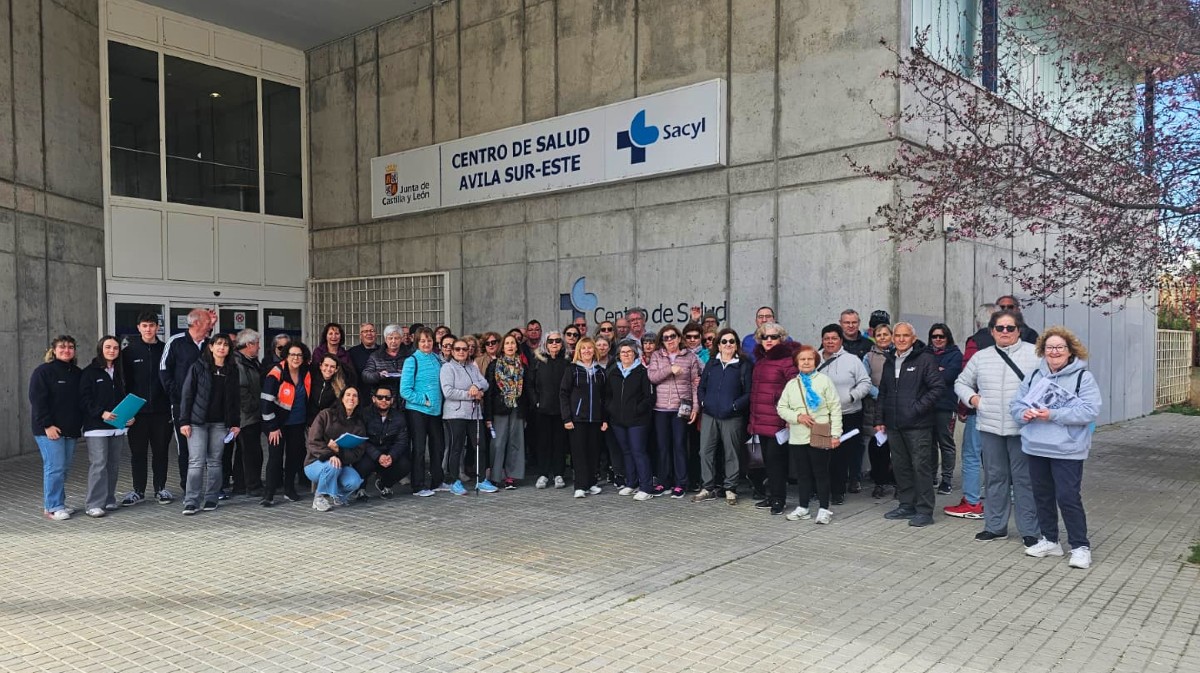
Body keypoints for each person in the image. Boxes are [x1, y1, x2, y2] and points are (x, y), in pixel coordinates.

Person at [1011, 327, 1102, 569]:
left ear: (1070, 350)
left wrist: (1052, 414)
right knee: (1042, 496)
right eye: (1049, 347)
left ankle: (1080, 546)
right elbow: (1016, 405)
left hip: (1068, 449)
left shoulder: (1084, 378)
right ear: (1042, 350)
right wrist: (1025, 413)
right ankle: (1050, 540)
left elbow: (1090, 411)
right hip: (1036, 447)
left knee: (1068, 497)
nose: (1054, 352)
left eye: (1060, 347)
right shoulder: (1033, 377)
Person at [954, 309, 1041, 546]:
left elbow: (1048, 385)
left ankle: (1030, 531)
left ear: (1018, 330)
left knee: (1024, 481)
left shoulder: (1034, 355)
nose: (1005, 332)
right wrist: (974, 400)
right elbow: (961, 382)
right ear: (992, 331)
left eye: (1010, 328)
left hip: (1023, 429)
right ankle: (995, 526)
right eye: (1000, 328)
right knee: (995, 479)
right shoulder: (981, 357)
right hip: (990, 428)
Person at [872, 322, 945, 527]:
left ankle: (924, 510)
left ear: (913, 339)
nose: (901, 339)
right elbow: (883, 393)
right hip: (894, 425)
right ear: (893, 338)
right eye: (898, 335)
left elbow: (937, 388)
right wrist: (879, 419)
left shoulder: (925, 359)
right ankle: (906, 504)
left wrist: (916, 408)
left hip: (918, 425)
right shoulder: (889, 361)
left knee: (920, 467)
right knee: (900, 466)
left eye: (906, 336)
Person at [777, 345, 843, 524]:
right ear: (796, 363)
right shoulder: (791, 384)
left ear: (815, 361)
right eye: (802, 359)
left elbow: (835, 408)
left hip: (820, 434)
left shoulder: (824, 381)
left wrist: (836, 434)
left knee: (821, 472)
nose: (806, 362)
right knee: (803, 473)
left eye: (809, 359)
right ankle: (803, 507)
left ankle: (824, 508)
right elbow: (782, 408)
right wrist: (797, 417)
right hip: (798, 436)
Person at [177, 334, 241, 515]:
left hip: (220, 423)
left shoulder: (232, 370)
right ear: (211, 347)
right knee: (196, 462)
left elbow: (235, 399)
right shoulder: (198, 367)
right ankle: (191, 501)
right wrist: (184, 421)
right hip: (197, 422)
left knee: (215, 462)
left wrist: (235, 423)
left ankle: (212, 498)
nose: (222, 348)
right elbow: (187, 394)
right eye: (218, 344)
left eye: (226, 345)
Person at [943, 303, 994, 519]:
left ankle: (971, 502)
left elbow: (968, 376)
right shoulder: (1013, 343)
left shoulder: (976, 342)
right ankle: (1000, 498)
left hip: (979, 408)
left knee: (972, 455)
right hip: (1003, 410)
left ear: (978, 321)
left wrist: (963, 407)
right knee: (995, 457)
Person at [694, 328, 752, 505]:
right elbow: (701, 387)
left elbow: (749, 393)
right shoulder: (712, 363)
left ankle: (730, 488)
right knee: (705, 451)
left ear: (736, 345)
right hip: (710, 414)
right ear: (718, 345)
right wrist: (704, 403)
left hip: (732, 416)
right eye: (724, 341)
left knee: (731, 452)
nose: (728, 345)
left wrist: (734, 406)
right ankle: (708, 487)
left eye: (732, 341)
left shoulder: (744, 365)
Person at [121, 311, 173, 505]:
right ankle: (138, 491)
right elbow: (123, 383)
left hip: (162, 411)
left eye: (152, 325)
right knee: (138, 453)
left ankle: (160, 488)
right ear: (138, 328)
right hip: (137, 414)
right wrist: (127, 411)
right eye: (144, 325)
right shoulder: (129, 352)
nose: (148, 329)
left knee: (161, 451)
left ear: (157, 327)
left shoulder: (165, 349)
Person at [30, 335, 84, 520]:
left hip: (70, 429)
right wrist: (47, 425)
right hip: (48, 430)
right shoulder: (43, 372)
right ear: (54, 350)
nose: (66, 350)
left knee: (64, 468)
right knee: (55, 467)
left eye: (70, 347)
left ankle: (58, 502)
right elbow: (37, 401)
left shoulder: (77, 373)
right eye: (62, 347)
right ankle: (52, 507)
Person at [817, 324, 871, 505]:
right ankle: (822, 489)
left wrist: (851, 396)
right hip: (822, 416)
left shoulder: (852, 360)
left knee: (840, 455)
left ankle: (837, 491)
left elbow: (865, 382)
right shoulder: (814, 358)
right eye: (826, 338)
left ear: (841, 340)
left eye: (834, 338)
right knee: (821, 455)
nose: (830, 342)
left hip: (847, 414)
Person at [160, 308, 214, 490]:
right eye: (208, 321)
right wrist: (177, 396)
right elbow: (164, 371)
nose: (210, 325)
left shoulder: (210, 344)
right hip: (182, 406)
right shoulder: (176, 342)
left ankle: (210, 487)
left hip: (208, 406)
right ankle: (188, 487)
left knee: (207, 448)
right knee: (185, 448)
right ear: (197, 323)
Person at [79, 336, 133, 518]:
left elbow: (125, 397)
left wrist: (128, 416)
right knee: (99, 463)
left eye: (116, 348)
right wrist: (101, 413)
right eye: (108, 347)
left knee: (113, 464)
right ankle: (93, 503)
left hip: (117, 427)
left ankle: (108, 499)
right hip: (96, 427)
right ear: (100, 349)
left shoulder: (120, 372)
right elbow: (84, 400)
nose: (112, 351)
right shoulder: (89, 373)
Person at [749, 322, 799, 514]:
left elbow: (794, 387)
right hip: (762, 420)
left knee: (777, 461)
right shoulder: (761, 361)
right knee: (768, 462)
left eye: (773, 337)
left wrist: (789, 415)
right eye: (765, 337)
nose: (769, 340)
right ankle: (772, 496)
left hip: (778, 420)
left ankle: (779, 499)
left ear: (781, 339)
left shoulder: (787, 360)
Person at [647, 324, 701, 499]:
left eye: (672, 336)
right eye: (666, 337)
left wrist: (695, 407)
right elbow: (652, 377)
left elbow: (695, 383)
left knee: (679, 445)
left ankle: (681, 483)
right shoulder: (657, 355)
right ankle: (664, 481)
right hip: (661, 408)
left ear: (679, 338)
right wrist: (669, 369)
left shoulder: (690, 357)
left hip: (681, 408)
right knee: (662, 446)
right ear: (662, 341)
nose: (669, 340)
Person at [260, 341, 312, 506]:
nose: (296, 358)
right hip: (277, 424)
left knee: (294, 457)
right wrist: (272, 427)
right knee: (275, 458)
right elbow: (266, 403)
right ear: (286, 356)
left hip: (297, 423)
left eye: (299, 355)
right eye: (292, 354)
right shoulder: (276, 373)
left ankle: (289, 490)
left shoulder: (306, 372)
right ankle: (269, 494)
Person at [304, 386, 367, 511]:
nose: (351, 398)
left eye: (355, 396)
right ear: (342, 398)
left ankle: (338, 496)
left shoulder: (359, 424)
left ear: (358, 401)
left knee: (354, 481)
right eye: (348, 395)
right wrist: (330, 454)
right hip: (315, 463)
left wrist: (339, 451)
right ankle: (319, 498)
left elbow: (358, 453)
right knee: (332, 465)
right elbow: (312, 441)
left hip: (341, 464)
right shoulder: (326, 415)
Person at [560, 337, 608, 498]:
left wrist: (605, 419)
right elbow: (564, 394)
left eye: (589, 348)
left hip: (595, 419)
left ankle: (592, 482)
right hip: (577, 418)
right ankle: (580, 486)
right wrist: (567, 418)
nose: (587, 351)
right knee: (579, 453)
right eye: (583, 349)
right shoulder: (572, 370)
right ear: (578, 351)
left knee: (593, 452)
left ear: (594, 350)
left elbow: (606, 397)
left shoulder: (600, 371)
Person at [401, 327, 446, 497]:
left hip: (435, 411)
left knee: (438, 446)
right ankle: (418, 485)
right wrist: (424, 400)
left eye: (429, 340)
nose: (426, 343)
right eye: (422, 341)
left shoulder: (436, 358)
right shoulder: (412, 360)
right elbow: (405, 390)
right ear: (417, 343)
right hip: (417, 411)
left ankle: (437, 481)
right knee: (419, 448)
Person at [607, 342, 655, 500]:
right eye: (623, 352)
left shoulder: (642, 372)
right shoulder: (614, 372)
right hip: (618, 420)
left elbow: (649, 397)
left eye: (629, 352)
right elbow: (607, 395)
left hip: (637, 420)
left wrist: (636, 410)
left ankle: (646, 487)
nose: (626, 354)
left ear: (635, 354)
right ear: (618, 355)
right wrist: (612, 409)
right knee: (626, 452)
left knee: (638, 451)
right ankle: (631, 483)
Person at [442, 338, 491, 494]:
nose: (461, 352)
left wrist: (476, 386)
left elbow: (485, 383)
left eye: (464, 349)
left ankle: (481, 479)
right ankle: (453, 480)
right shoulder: (447, 368)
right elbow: (448, 391)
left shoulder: (472, 367)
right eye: (457, 349)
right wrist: (471, 394)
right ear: (452, 351)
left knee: (480, 446)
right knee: (456, 448)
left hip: (474, 414)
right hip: (455, 414)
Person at [484, 333, 528, 490]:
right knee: (498, 443)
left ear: (517, 346)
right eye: (507, 343)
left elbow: (527, 392)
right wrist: (487, 416)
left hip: (517, 409)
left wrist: (526, 414)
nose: (510, 346)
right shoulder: (494, 366)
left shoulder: (523, 366)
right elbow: (489, 393)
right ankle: (495, 476)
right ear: (502, 347)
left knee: (516, 443)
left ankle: (512, 477)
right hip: (499, 410)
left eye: (513, 343)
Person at [529, 331, 570, 489]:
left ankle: (559, 474)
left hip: (561, 410)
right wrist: (536, 402)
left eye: (558, 341)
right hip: (543, 409)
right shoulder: (538, 361)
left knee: (560, 443)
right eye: (551, 341)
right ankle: (543, 474)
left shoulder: (566, 362)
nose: (554, 344)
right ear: (545, 344)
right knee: (543, 443)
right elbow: (530, 384)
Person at [928, 323, 963, 495]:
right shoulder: (925, 353)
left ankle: (947, 479)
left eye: (941, 336)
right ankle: (932, 476)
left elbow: (949, 377)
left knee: (945, 442)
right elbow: (921, 376)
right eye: (934, 336)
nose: (938, 339)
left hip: (945, 405)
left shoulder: (956, 355)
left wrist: (932, 373)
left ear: (947, 337)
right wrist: (938, 371)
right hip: (927, 405)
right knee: (929, 443)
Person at [861, 323, 895, 499]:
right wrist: (881, 394)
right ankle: (879, 482)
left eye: (885, 334)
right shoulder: (868, 356)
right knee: (877, 446)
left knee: (897, 446)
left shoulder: (899, 354)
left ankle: (898, 482)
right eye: (879, 335)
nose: (882, 337)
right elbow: (864, 380)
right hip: (875, 407)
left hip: (897, 405)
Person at [359, 385, 410, 498]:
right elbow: (362, 440)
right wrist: (378, 456)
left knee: (405, 465)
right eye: (380, 397)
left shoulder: (399, 417)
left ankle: (385, 484)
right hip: (370, 454)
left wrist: (391, 456)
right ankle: (361, 489)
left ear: (392, 400)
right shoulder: (364, 414)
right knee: (361, 463)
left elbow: (401, 441)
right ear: (373, 399)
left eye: (387, 398)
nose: (383, 401)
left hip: (388, 454)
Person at [232, 329, 264, 497]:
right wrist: (255, 407)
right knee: (251, 452)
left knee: (243, 452)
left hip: (250, 415)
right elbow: (242, 390)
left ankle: (240, 484)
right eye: (257, 344)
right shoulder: (239, 363)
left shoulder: (251, 361)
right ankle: (253, 485)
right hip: (246, 416)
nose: (259, 347)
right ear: (249, 344)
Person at [361, 324, 413, 400]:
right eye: (390, 338)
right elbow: (366, 375)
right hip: (383, 399)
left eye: (396, 338)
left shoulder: (409, 355)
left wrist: (407, 374)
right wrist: (379, 375)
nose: (393, 341)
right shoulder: (376, 356)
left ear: (401, 339)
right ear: (385, 339)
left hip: (405, 399)